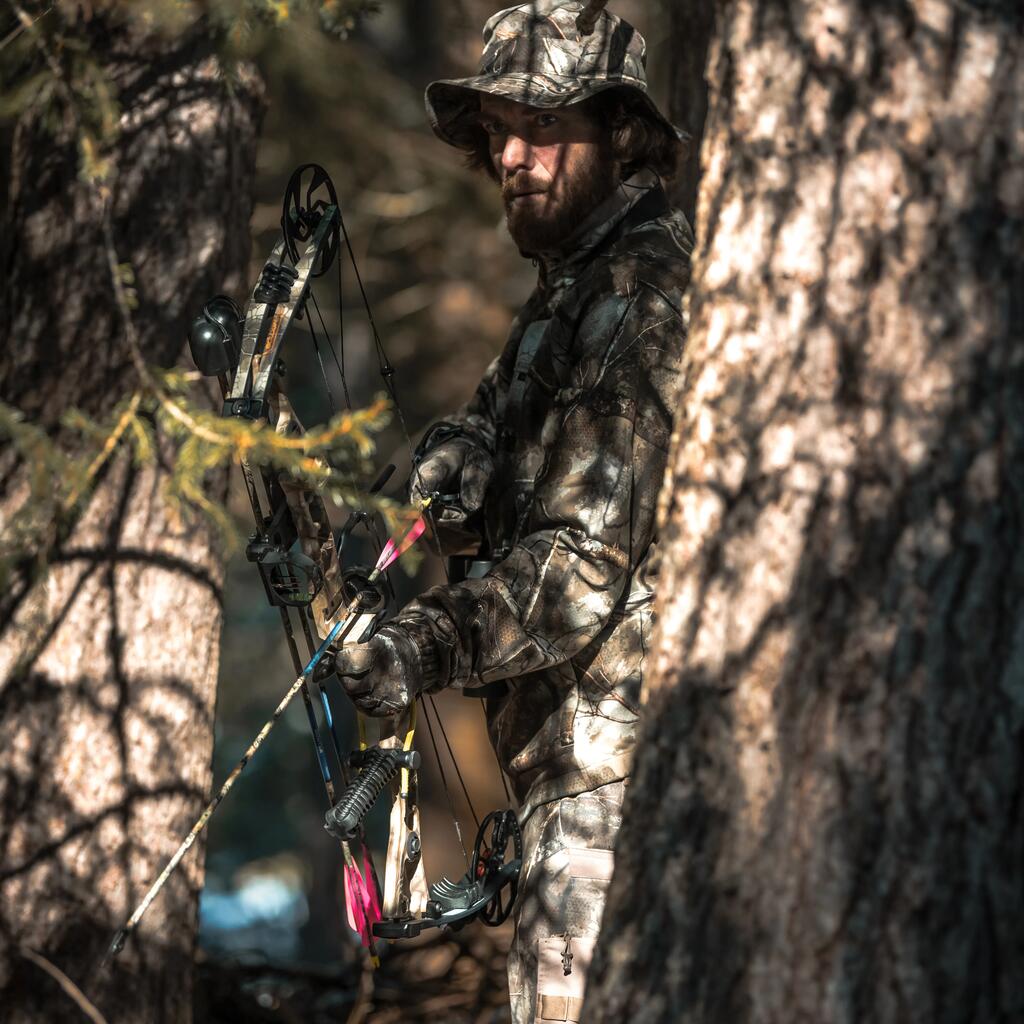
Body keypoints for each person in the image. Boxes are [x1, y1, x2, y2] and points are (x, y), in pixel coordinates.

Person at [323, 3, 693, 1020]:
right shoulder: (567, 293)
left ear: (619, 134)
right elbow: (496, 439)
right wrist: (467, 451)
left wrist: (427, 641)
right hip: (548, 781)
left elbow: (582, 567)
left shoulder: (640, 286)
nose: (514, 154)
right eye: (497, 131)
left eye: (545, 126)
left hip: (609, 785)